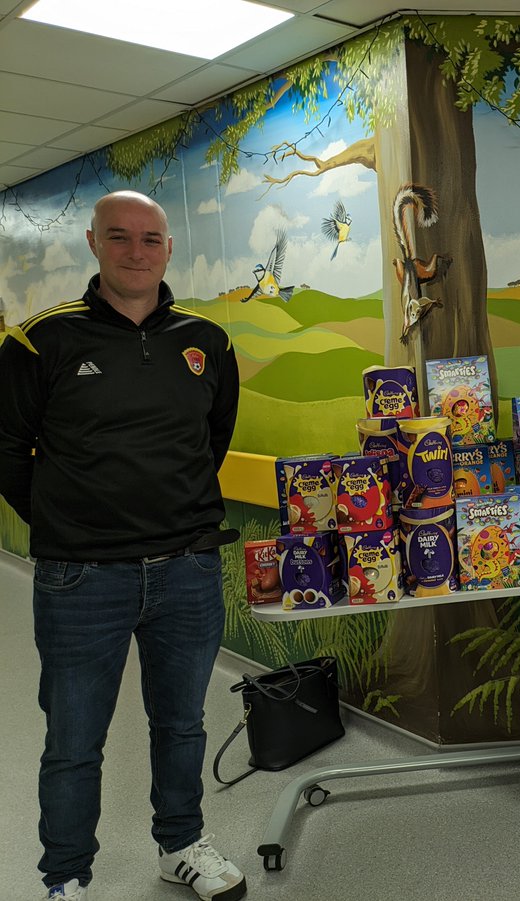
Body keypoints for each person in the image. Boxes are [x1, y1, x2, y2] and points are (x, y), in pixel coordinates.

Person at [0, 191, 245, 901]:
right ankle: (67, 875)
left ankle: (180, 844)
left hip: (189, 569)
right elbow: (9, 450)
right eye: (120, 237)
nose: (136, 251)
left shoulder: (209, 341)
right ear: (93, 243)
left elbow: (212, 437)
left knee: (183, 723)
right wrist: (63, 519)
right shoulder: (39, 342)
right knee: (74, 740)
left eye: (151, 238)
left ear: (169, 247)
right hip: (82, 578)